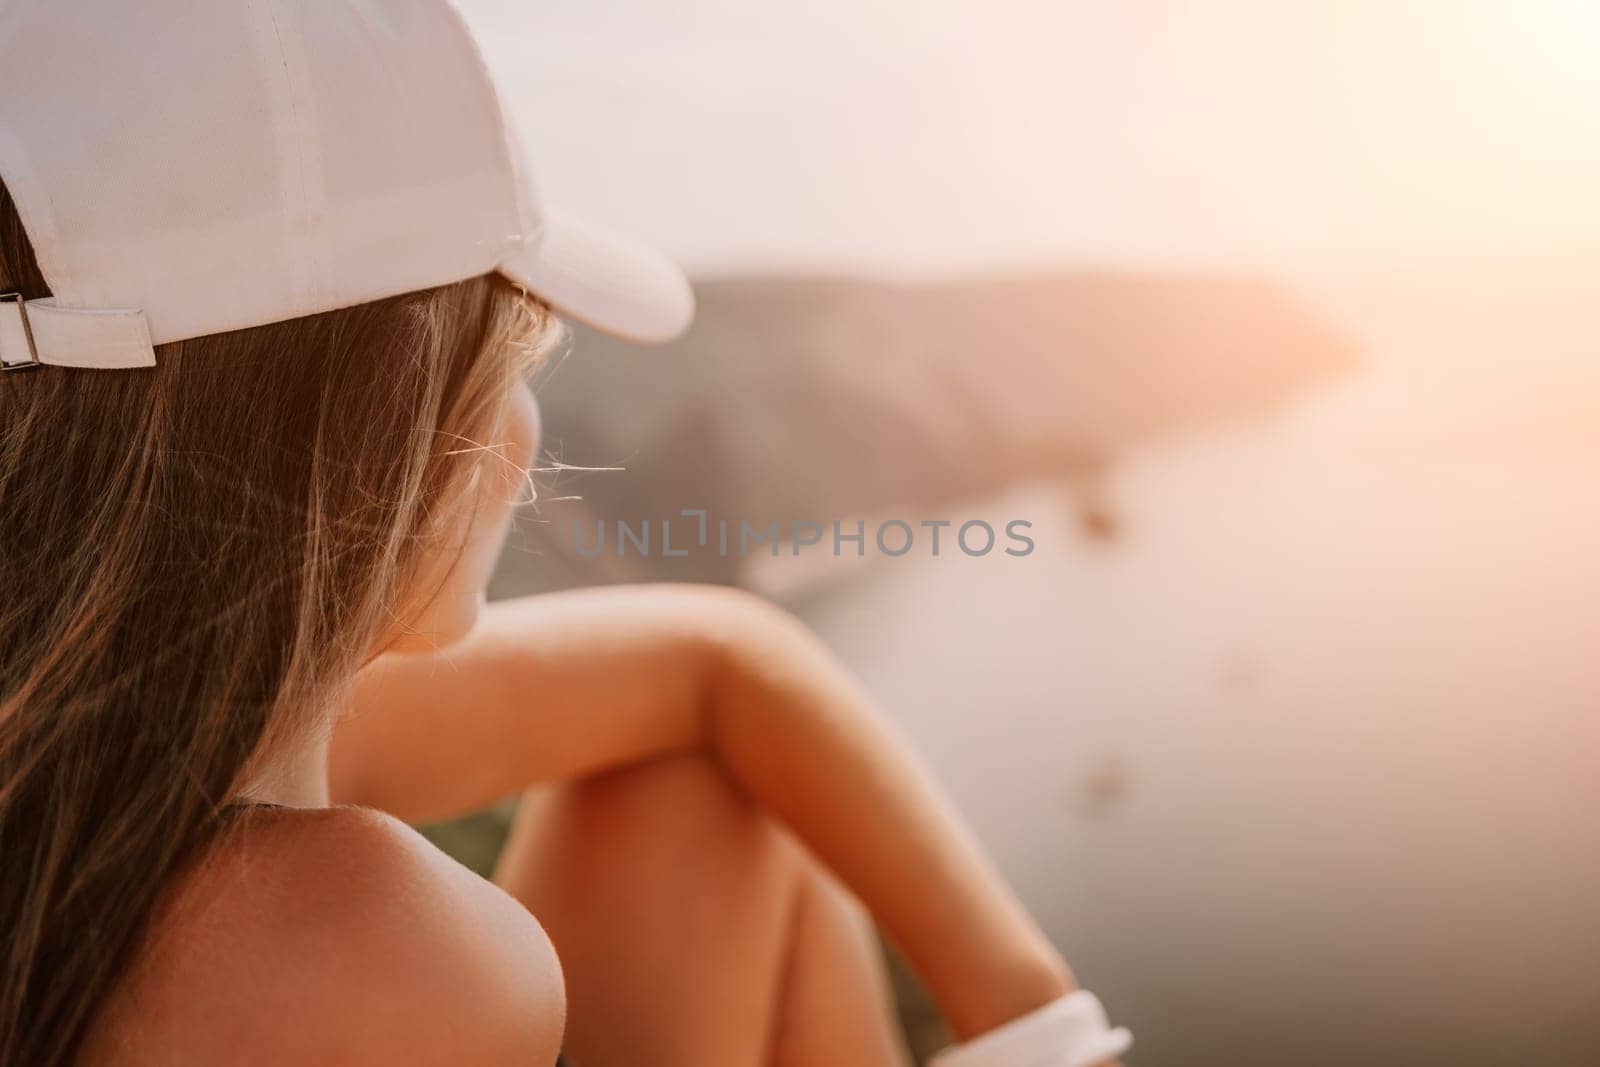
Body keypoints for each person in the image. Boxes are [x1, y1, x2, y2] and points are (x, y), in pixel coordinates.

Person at [0, 2, 1130, 1065]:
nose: (523, 438)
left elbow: (715, 665)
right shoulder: (366, 952)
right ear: (384, 447)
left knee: (691, 776)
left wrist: (1028, 1009)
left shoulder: (106, 728)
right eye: (511, 363)